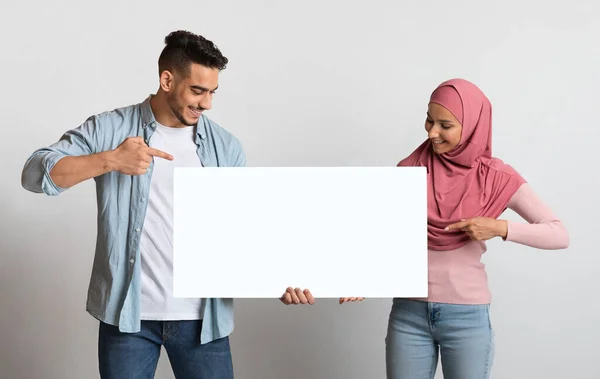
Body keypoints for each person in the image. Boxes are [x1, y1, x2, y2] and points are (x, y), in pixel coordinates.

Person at [21, 30, 302, 379]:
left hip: (203, 321)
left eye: (212, 92)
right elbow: (34, 173)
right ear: (167, 79)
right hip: (128, 319)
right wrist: (109, 161)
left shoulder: (225, 147)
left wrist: (280, 277)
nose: (207, 103)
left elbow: (241, 229)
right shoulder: (111, 129)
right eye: (197, 91)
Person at [382, 78, 570, 379]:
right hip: (408, 314)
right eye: (429, 120)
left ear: (471, 125)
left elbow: (559, 234)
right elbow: (383, 239)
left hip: (466, 317)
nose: (432, 132)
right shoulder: (408, 170)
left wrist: (499, 227)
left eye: (445, 125)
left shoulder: (496, 177)